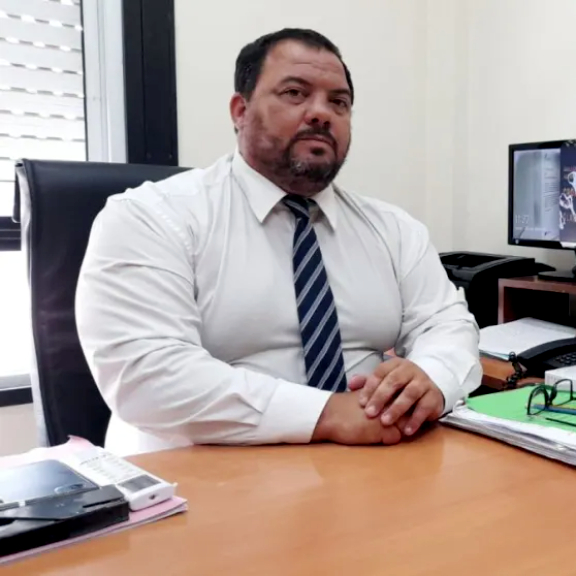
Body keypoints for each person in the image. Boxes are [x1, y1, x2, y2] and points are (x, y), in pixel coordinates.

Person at [76, 28, 481, 455]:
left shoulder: (393, 229)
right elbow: (147, 375)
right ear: (240, 110)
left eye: (339, 102)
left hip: (370, 460)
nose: (321, 113)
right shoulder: (151, 216)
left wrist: (431, 377)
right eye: (295, 93)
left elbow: (446, 324)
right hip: (201, 471)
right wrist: (327, 414)